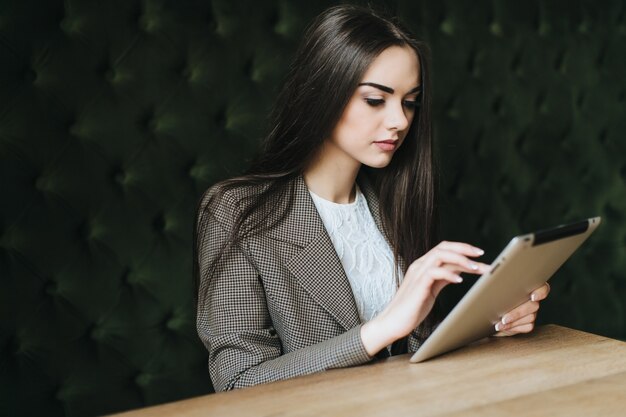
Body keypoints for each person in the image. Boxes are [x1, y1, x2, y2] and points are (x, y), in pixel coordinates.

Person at [194, 4, 550, 392]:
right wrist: (377, 331)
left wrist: (490, 325)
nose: (400, 121)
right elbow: (238, 383)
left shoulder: (393, 200)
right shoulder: (236, 210)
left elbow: (411, 357)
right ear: (322, 93)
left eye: (409, 102)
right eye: (375, 100)